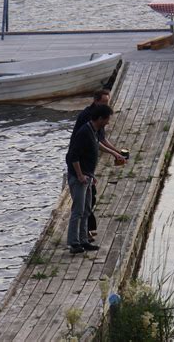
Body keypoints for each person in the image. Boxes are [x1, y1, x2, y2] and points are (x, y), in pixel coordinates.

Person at [70, 89, 126, 239]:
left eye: (107, 102)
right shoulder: (89, 119)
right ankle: (79, 237)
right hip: (81, 164)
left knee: (89, 199)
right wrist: (81, 174)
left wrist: (117, 152)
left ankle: (84, 234)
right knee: (83, 204)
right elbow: (79, 149)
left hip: (88, 167)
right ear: (95, 101)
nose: (106, 105)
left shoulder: (99, 119)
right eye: (103, 102)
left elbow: (100, 140)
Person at [65, 104, 114, 254]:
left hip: (88, 177)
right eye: (107, 119)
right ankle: (73, 243)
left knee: (86, 209)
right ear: (100, 118)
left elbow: (96, 145)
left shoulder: (94, 131)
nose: (108, 122)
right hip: (79, 178)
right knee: (78, 211)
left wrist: (115, 153)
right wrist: (80, 175)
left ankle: (84, 240)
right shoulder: (84, 132)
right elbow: (73, 156)